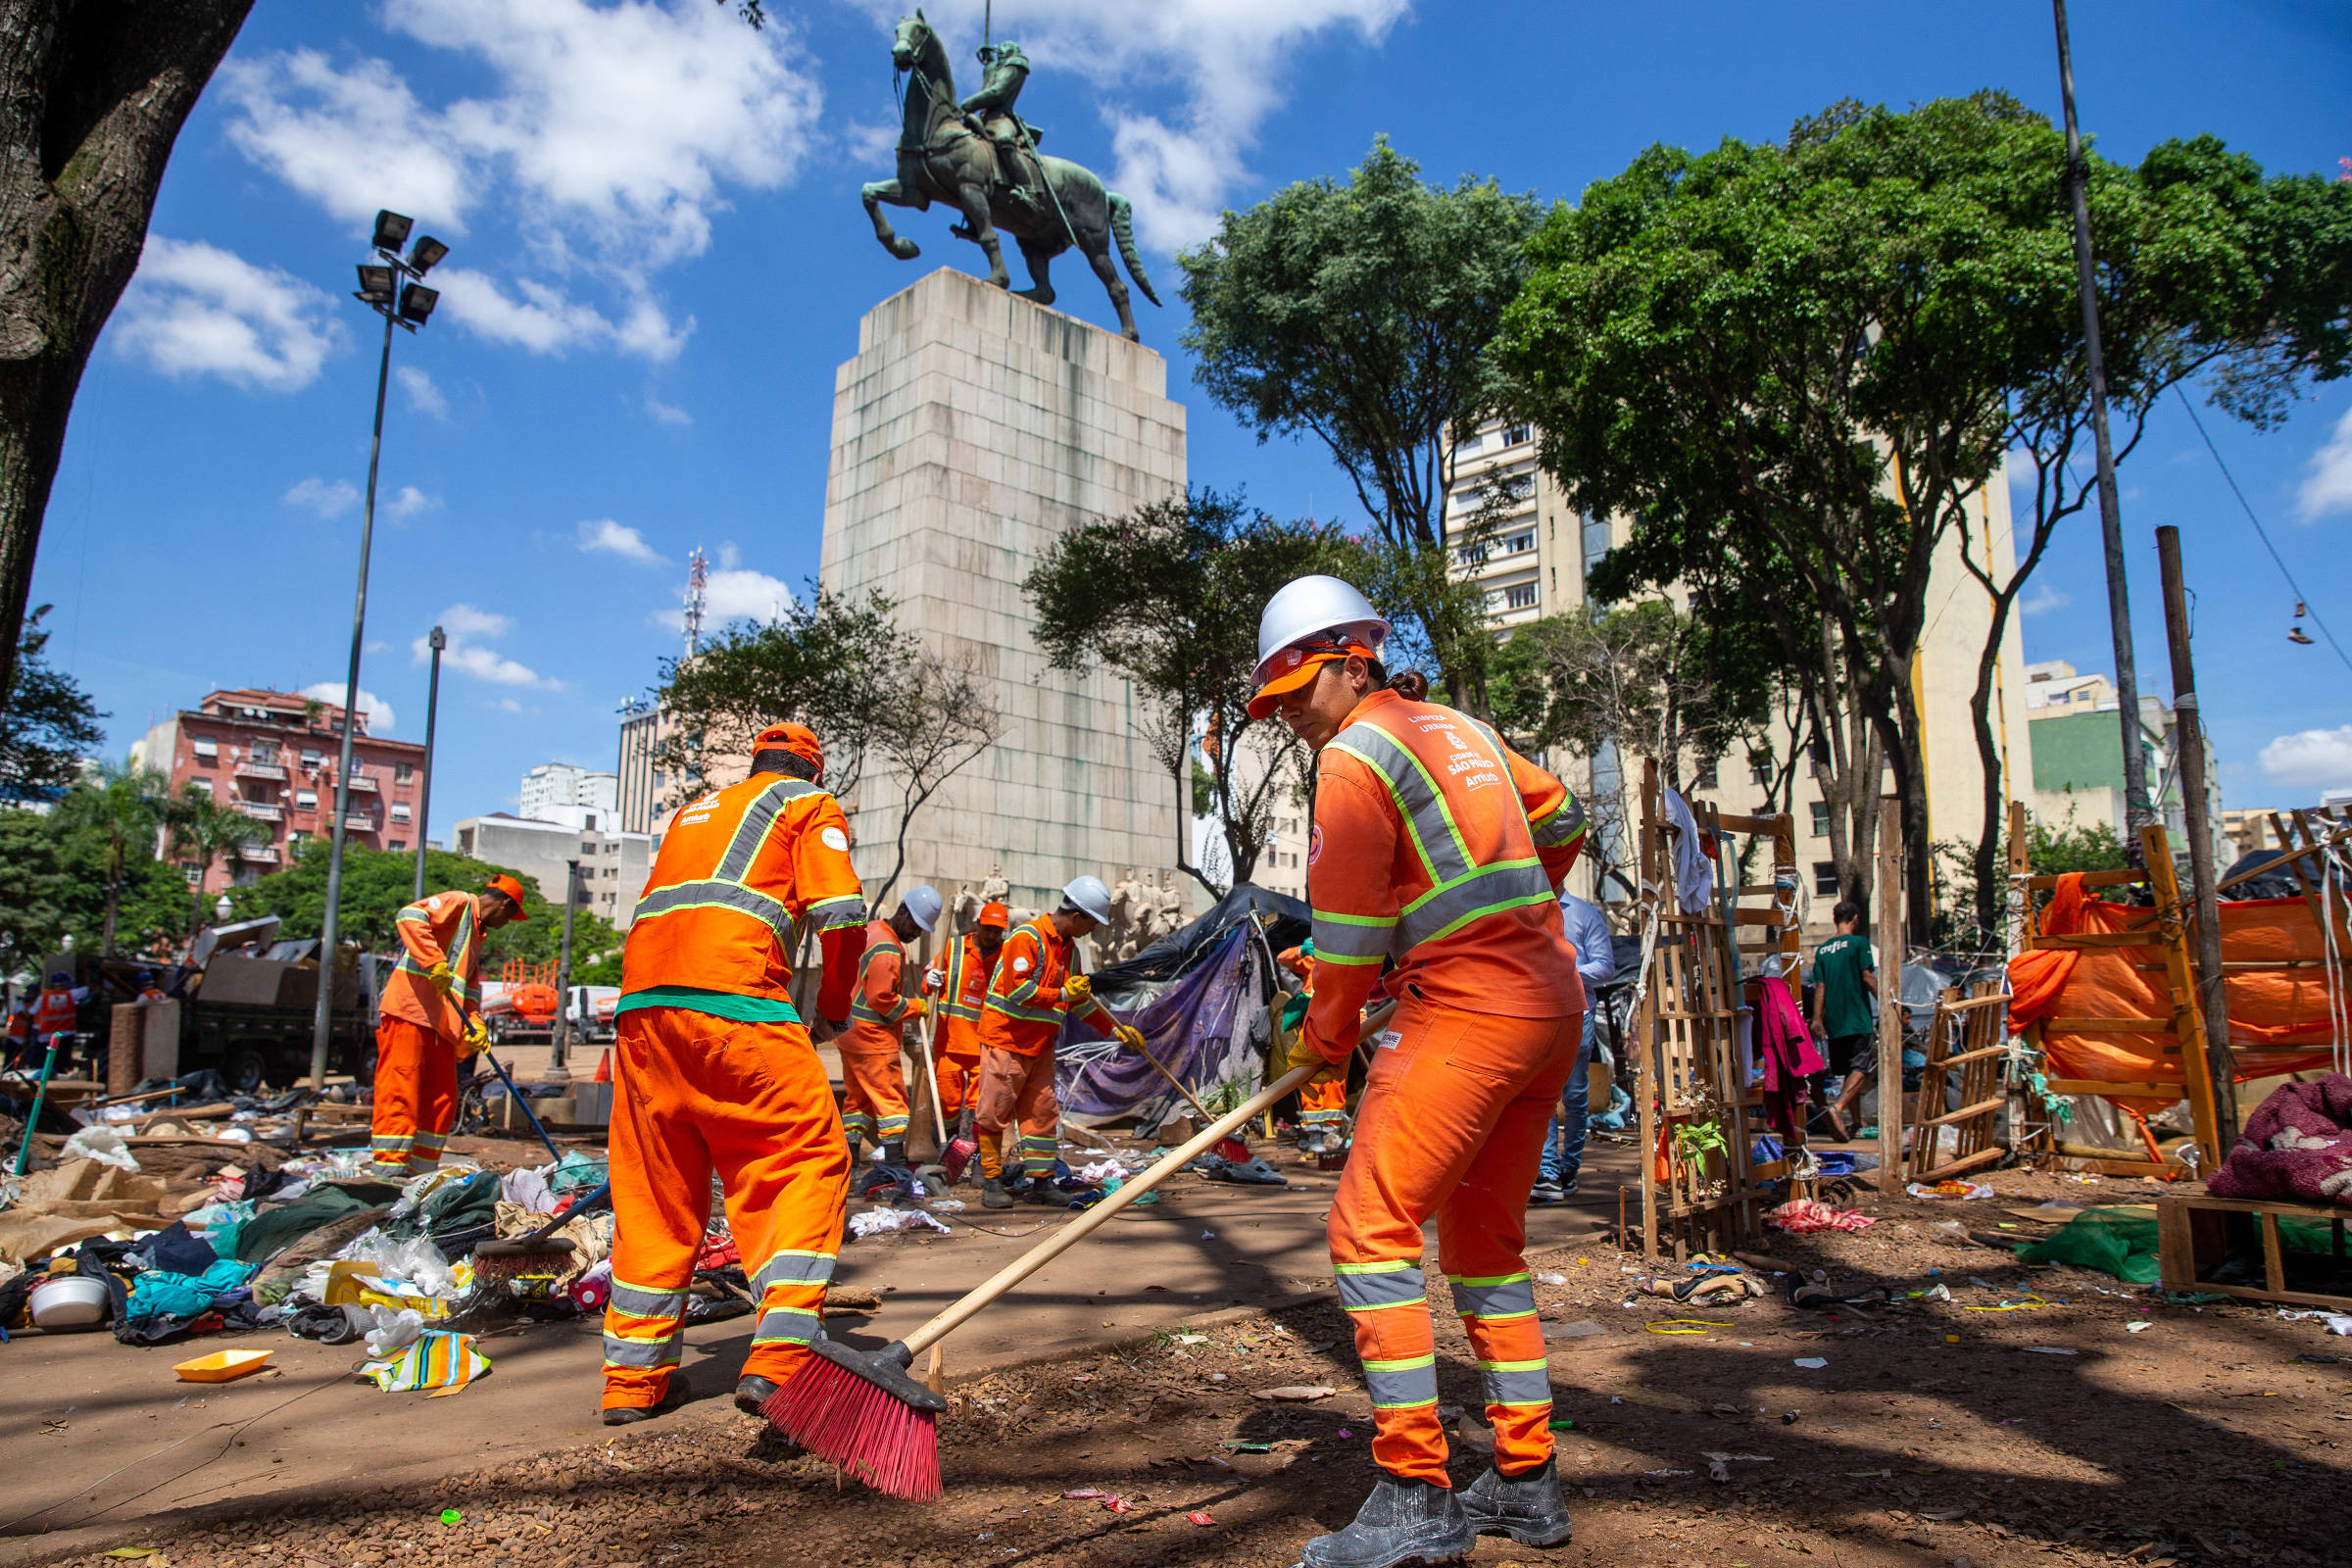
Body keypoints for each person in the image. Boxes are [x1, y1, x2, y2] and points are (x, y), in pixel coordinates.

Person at [1251, 573, 1589, 1568]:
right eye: (1275, 703)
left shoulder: (1354, 755)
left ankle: (1414, 1493)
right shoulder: (1462, 730)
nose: (1289, 716)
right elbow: (1563, 819)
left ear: (1353, 663)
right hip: (1548, 1005)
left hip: (1469, 1013)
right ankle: (1526, 1477)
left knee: (1369, 1230)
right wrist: (1498, 919)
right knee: (1484, 1247)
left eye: (1297, 692)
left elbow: (1350, 932)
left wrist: (1325, 1033)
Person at [599, 721, 869, 1426]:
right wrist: (832, 1008)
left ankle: (632, 1381)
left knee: (654, 1191)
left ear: (756, 763)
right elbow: (842, 918)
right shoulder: (807, 804)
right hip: (736, 1005)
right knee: (803, 1159)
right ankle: (782, 1359)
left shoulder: (694, 813)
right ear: (813, 769)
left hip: (643, 1018)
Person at [973, 875, 1144, 1209]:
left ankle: (1042, 1182)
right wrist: (1063, 993)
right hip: (1007, 1040)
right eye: (1091, 923)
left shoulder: (1070, 951)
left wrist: (1115, 1030)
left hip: (1040, 1046)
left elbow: (1081, 1004)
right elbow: (1018, 990)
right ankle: (991, 1181)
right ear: (1076, 916)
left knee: (1042, 1114)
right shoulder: (1027, 938)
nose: (1092, 930)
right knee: (994, 1112)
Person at [372, 875, 529, 1175]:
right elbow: (409, 915)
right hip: (410, 1012)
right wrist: (433, 961)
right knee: (401, 1091)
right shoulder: (459, 902)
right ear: (505, 904)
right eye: (511, 916)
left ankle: (420, 1173)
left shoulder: (476, 935)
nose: (507, 923)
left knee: (441, 1099)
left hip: (441, 1024)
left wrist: (476, 1024)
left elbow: (468, 990)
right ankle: (388, 1171)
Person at [839, 886, 944, 1167]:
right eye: (915, 927)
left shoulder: (873, 930)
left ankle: (849, 1162)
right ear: (902, 913)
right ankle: (896, 1166)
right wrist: (915, 1007)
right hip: (871, 1037)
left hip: (850, 1033)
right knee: (891, 1102)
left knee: (858, 1101)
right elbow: (881, 999)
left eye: (921, 930)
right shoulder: (887, 948)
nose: (916, 934)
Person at [1528, 891, 1617, 1202]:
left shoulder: (1584, 914)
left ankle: (1568, 1167)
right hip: (1538, 1014)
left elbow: (1605, 966)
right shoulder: (1526, 909)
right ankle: (1547, 1171)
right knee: (1543, 1093)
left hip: (1579, 1014)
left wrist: (1567, 972)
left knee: (1575, 1096)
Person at [926, 901, 1009, 1135]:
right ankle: (950, 1146)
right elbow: (928, 981)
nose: (991, 936)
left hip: (985, 1045)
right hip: (950, 1042)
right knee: (947, 1102)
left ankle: (974, 1149)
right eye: (987, 929)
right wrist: (929, 978)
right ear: (978, 924)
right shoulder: (954, 948)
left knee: (981, 1105)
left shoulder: (1005, 957)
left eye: (997, 931)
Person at [1808, 900, 1878, 1142]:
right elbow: (1867, 977)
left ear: (1834, 918)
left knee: (1849, 1072)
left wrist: (1817, 1018)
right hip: (1857, 1018)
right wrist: (1888, 1003)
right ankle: (1837, 1108)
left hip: (1835, 1023)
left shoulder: (1823, 950)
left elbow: (1820, 987)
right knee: (1861, 1069)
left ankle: (1855, 1122)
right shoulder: (1859, 943)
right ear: (1855, 918)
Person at [1279, 940, 1350, 1153]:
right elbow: (1283, 960)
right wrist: (1300, 950)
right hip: (1313, 1026)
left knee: (1335, 1080)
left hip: (1338, 1025)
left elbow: (1356, 994)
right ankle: (1315, 1134)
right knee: (1310, 1077)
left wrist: (1360, 1025)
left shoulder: (1348, 961)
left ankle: (1331, 1133)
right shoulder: (1312, 959)